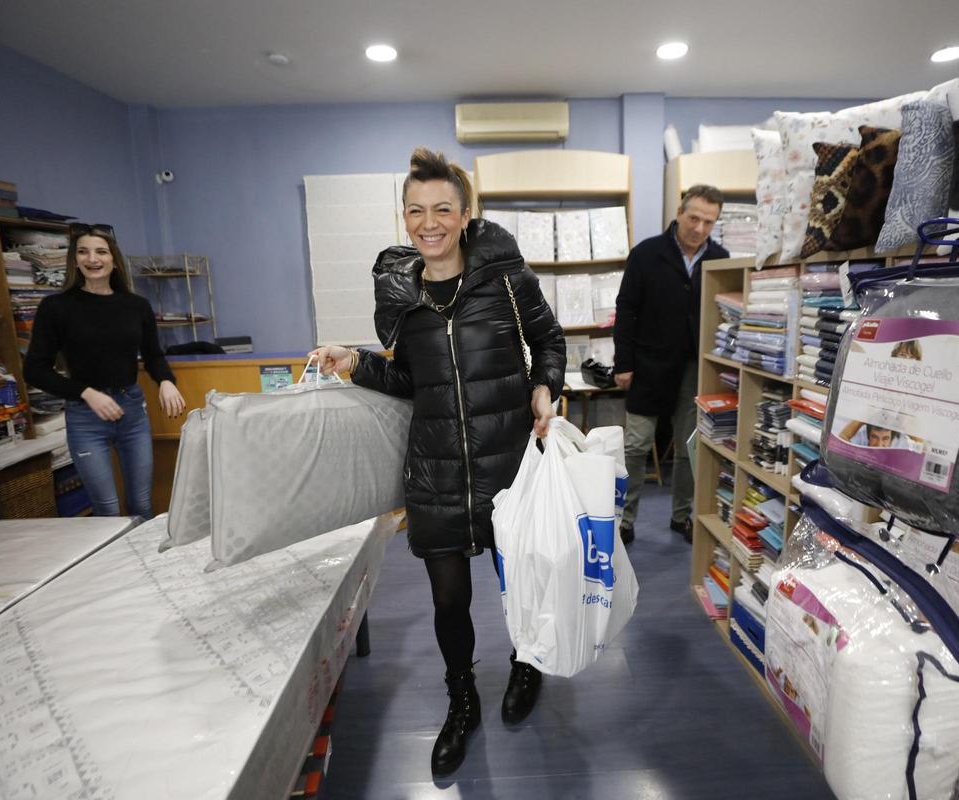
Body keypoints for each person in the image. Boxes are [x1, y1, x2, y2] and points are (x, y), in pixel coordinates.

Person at [309, 148, 566, 778]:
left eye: (443, 209)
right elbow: (411, 380)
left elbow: (548, 340)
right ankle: (462, 700)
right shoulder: (401, 295)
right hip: (436, 470)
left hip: (508, 464)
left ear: (465, 213)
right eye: (416, 211)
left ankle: (527, 664)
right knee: (449, 599)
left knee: (519, 583)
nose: (430, 223)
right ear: (404, 217)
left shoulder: (505, 277)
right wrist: (356, 362)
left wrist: (546, 386)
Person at [24, 224, 186, 518]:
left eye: (101, 251)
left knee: (141, 504)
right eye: (83, 252)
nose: (92, 259)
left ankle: (142, 551)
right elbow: (34, 370)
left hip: (132, 412)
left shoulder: (136, 306)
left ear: (114, 260)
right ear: (74, 260)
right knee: (107, 510)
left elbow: (153, 355)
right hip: (86, 416)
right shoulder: (56, 307)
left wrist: (166, 380)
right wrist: (86, 393)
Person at [613, 184, 728, 545]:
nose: (699, 228)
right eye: (694, 218)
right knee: (635, 445)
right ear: (679, 213)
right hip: (647, 365)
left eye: (708, 222)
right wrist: (623, 363)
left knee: (688, 447)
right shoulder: (647, 254)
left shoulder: (720, 258)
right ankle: (624, 520)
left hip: (695, 368)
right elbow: (626, 309)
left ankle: (682, 516)